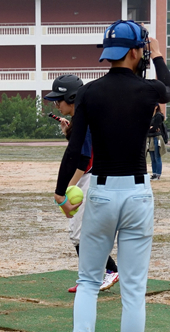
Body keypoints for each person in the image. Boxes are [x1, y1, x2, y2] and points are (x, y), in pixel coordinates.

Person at [54, 20, 170, 332]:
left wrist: (62, 193)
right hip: (137, 193)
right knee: (134, 291)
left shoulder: (89, 93)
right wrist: (159, 56)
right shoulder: (149, 90)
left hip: (101, 192)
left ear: (109, 54)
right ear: (137, 51)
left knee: (89, 281)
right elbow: (169, 89)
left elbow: (75, 150)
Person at [45, 75, 119, 294]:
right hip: (98, 177)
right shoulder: (87, 117)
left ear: (72, 98)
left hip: (89, 178)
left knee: (79, 233)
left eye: (59, 99)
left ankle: (108, 271)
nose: (57, 104)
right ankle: (92, 276)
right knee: (86, 231)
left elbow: (84, 158)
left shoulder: (84, 121)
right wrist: (70, 131)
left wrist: (68, 189)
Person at [147, 105, 167, 180]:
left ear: (156, 107)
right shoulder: (151, 116)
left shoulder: (158, 116)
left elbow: (155, 127)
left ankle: (158, 174)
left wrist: (151, 128)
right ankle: (154, 173)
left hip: (156, 137)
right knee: (152, 157)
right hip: (150, 137)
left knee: (157, 156)